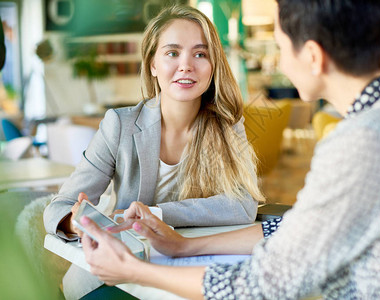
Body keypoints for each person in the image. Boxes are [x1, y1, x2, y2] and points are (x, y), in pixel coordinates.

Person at [80, 0, 380, 299]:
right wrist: (183, 247)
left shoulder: (360, 143)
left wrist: (137, 271)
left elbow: (264, 283)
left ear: (313, 57)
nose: (282, 62)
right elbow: (295, 226)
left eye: (281, 44)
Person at [43, 5, 264, 299]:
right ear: (152, 65)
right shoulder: (119, 125)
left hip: (185, 274)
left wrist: (156, 214)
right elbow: (57, 209)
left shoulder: (227, 126)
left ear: (213, 66)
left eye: (200, 54)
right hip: (113, 279)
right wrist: (76, 222)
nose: (186, 65)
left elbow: (243, 205)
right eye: (172, 53)